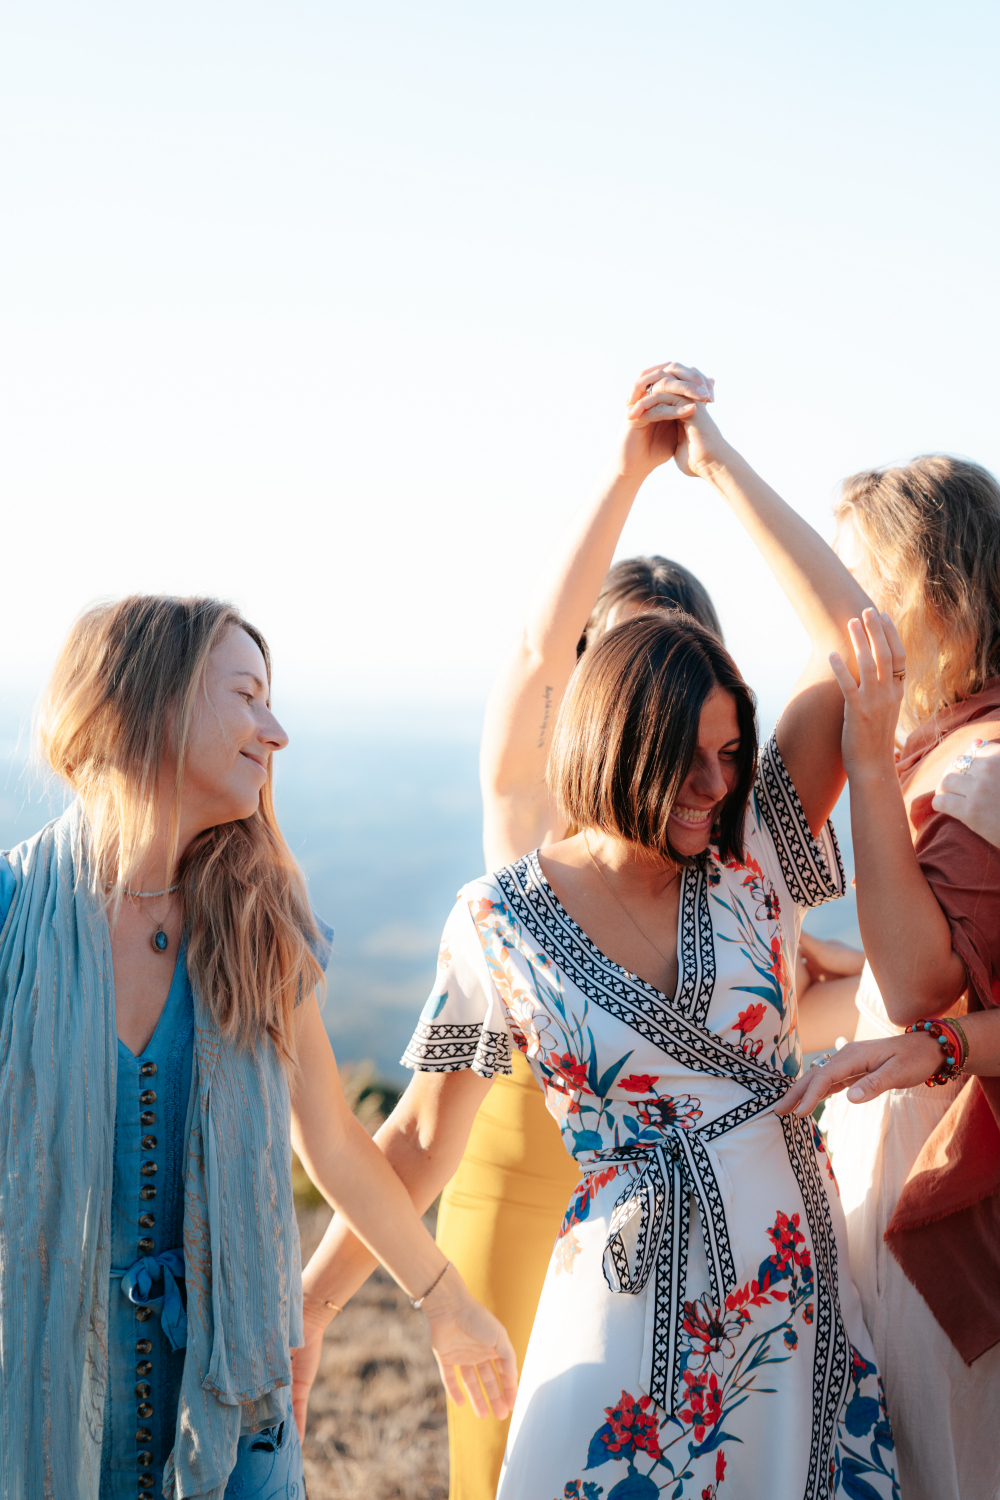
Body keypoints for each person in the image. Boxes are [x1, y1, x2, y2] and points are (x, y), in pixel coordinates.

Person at [293, 370, 901, 1498]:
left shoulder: (751, 855)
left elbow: (862, 637)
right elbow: (423, 1138)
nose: (717, 784)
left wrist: (715, 466)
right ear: (614, 739)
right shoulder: (495, 924)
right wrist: (313, 1312)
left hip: (793, 1304)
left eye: (733, 754)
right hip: (612, 1329)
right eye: (692, 756)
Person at [0, 595, 517, 1500]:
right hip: (51, 1399)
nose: (275, 732)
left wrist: (446, 1303)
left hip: (232, 1407)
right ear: (148, 700)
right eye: (247, 695)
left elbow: (333, 1144)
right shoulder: (14, 919)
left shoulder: (259, 924)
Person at [440, 363, 725, 1500]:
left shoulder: (727, 837)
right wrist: (625, 476)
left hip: (700, 1212)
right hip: (518, 1181)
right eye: (620, 658)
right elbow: (438, 1086)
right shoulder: (526, 814)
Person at [776, 454, 1000, 1500]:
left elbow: (921, 987)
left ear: (930, 591)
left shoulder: (979, 762)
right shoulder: (956, 745)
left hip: (941, 1187)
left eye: (865, 587)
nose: (847, 624)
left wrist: (866, 758)